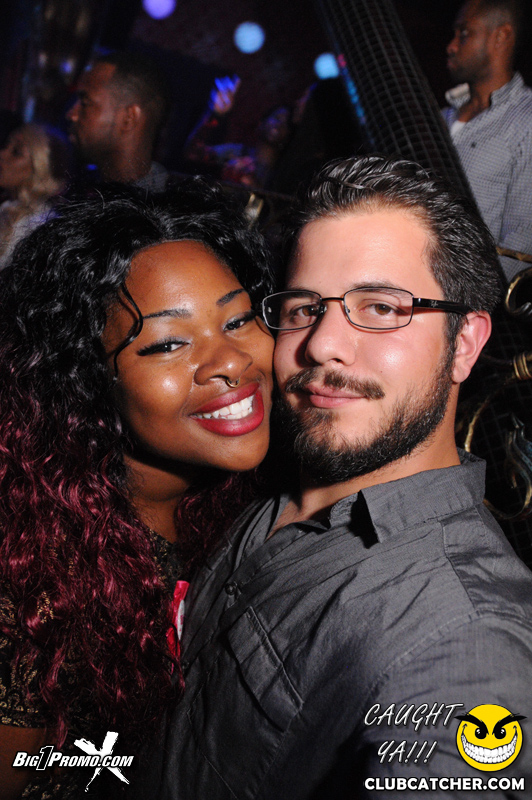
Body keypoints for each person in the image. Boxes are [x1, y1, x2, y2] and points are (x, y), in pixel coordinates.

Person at [158, 155, 532, 799]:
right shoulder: (266, 475)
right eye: (305, 308)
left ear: (465, 343)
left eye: (381, 307)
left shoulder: (465, 636)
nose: (322, 344)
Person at [0, 182, 273, 799]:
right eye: (168, 344)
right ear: (87, 380)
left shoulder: (259, 498)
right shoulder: (29, 576)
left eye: (237, 319)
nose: (231, 361)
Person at [443, 0, 532, 281]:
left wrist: (475, 297)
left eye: (464, 34)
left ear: (501, 36)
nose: (451, 46)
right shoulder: (441, 117)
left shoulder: (525, 120)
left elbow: (522, 239)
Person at [66, 51, 171, 191]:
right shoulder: (85, 188)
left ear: (129, 118)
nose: (71, 115)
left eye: (85, 103)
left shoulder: (153, 203)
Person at [184, 75, 293, 189]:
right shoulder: (237, 152)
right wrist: (215, 114)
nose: (280, 124)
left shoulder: (284, 172)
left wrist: (253, 185)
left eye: (286, 123)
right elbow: (193, 154)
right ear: (261, 124)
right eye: (277, 118)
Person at [0, 123, 70, 268]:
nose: (2, 154)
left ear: (39, 168)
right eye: (6, 145)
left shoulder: (38, 226)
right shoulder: (8, 207)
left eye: (16, 152)